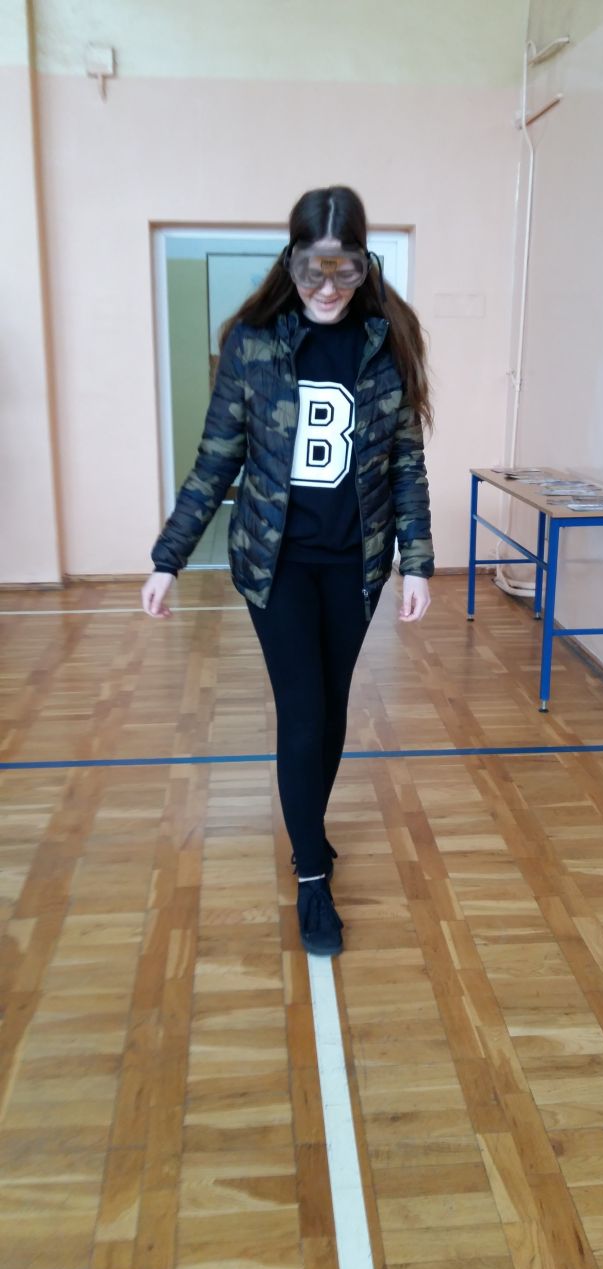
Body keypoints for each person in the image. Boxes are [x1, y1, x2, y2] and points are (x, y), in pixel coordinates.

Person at [141, 185, 434, 957]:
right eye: (313, 271)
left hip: (356, 565)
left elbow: (406, 462)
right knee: (304, 713)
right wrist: (169, 558)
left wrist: (417, 562)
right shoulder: (253, 344)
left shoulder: (389, 342)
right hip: (276, 565)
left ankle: (310, 827)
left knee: (331, 712)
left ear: (364, 264)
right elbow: (215, 460)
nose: (327, 290)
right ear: (292, 261)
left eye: (344, 271)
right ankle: (311, 873)